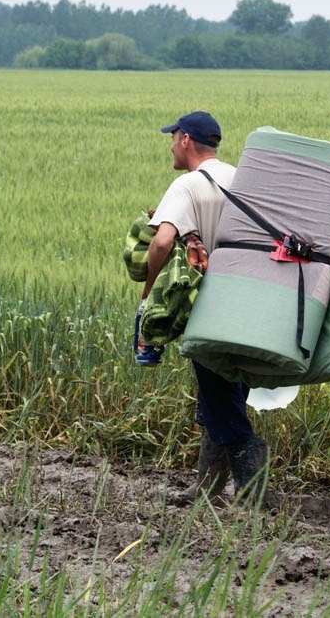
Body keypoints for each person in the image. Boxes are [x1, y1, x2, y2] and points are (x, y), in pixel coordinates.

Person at [141, 111, 269, 507]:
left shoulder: (188, 184)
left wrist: (147, 294)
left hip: (211, 311)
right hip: (254, 305)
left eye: (172, 137)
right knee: (222, 397)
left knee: (221, 403)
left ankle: (255, 491)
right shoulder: (244, 179)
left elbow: (162, 242)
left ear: (184, 139)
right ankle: (207, 489)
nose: (170, 145)